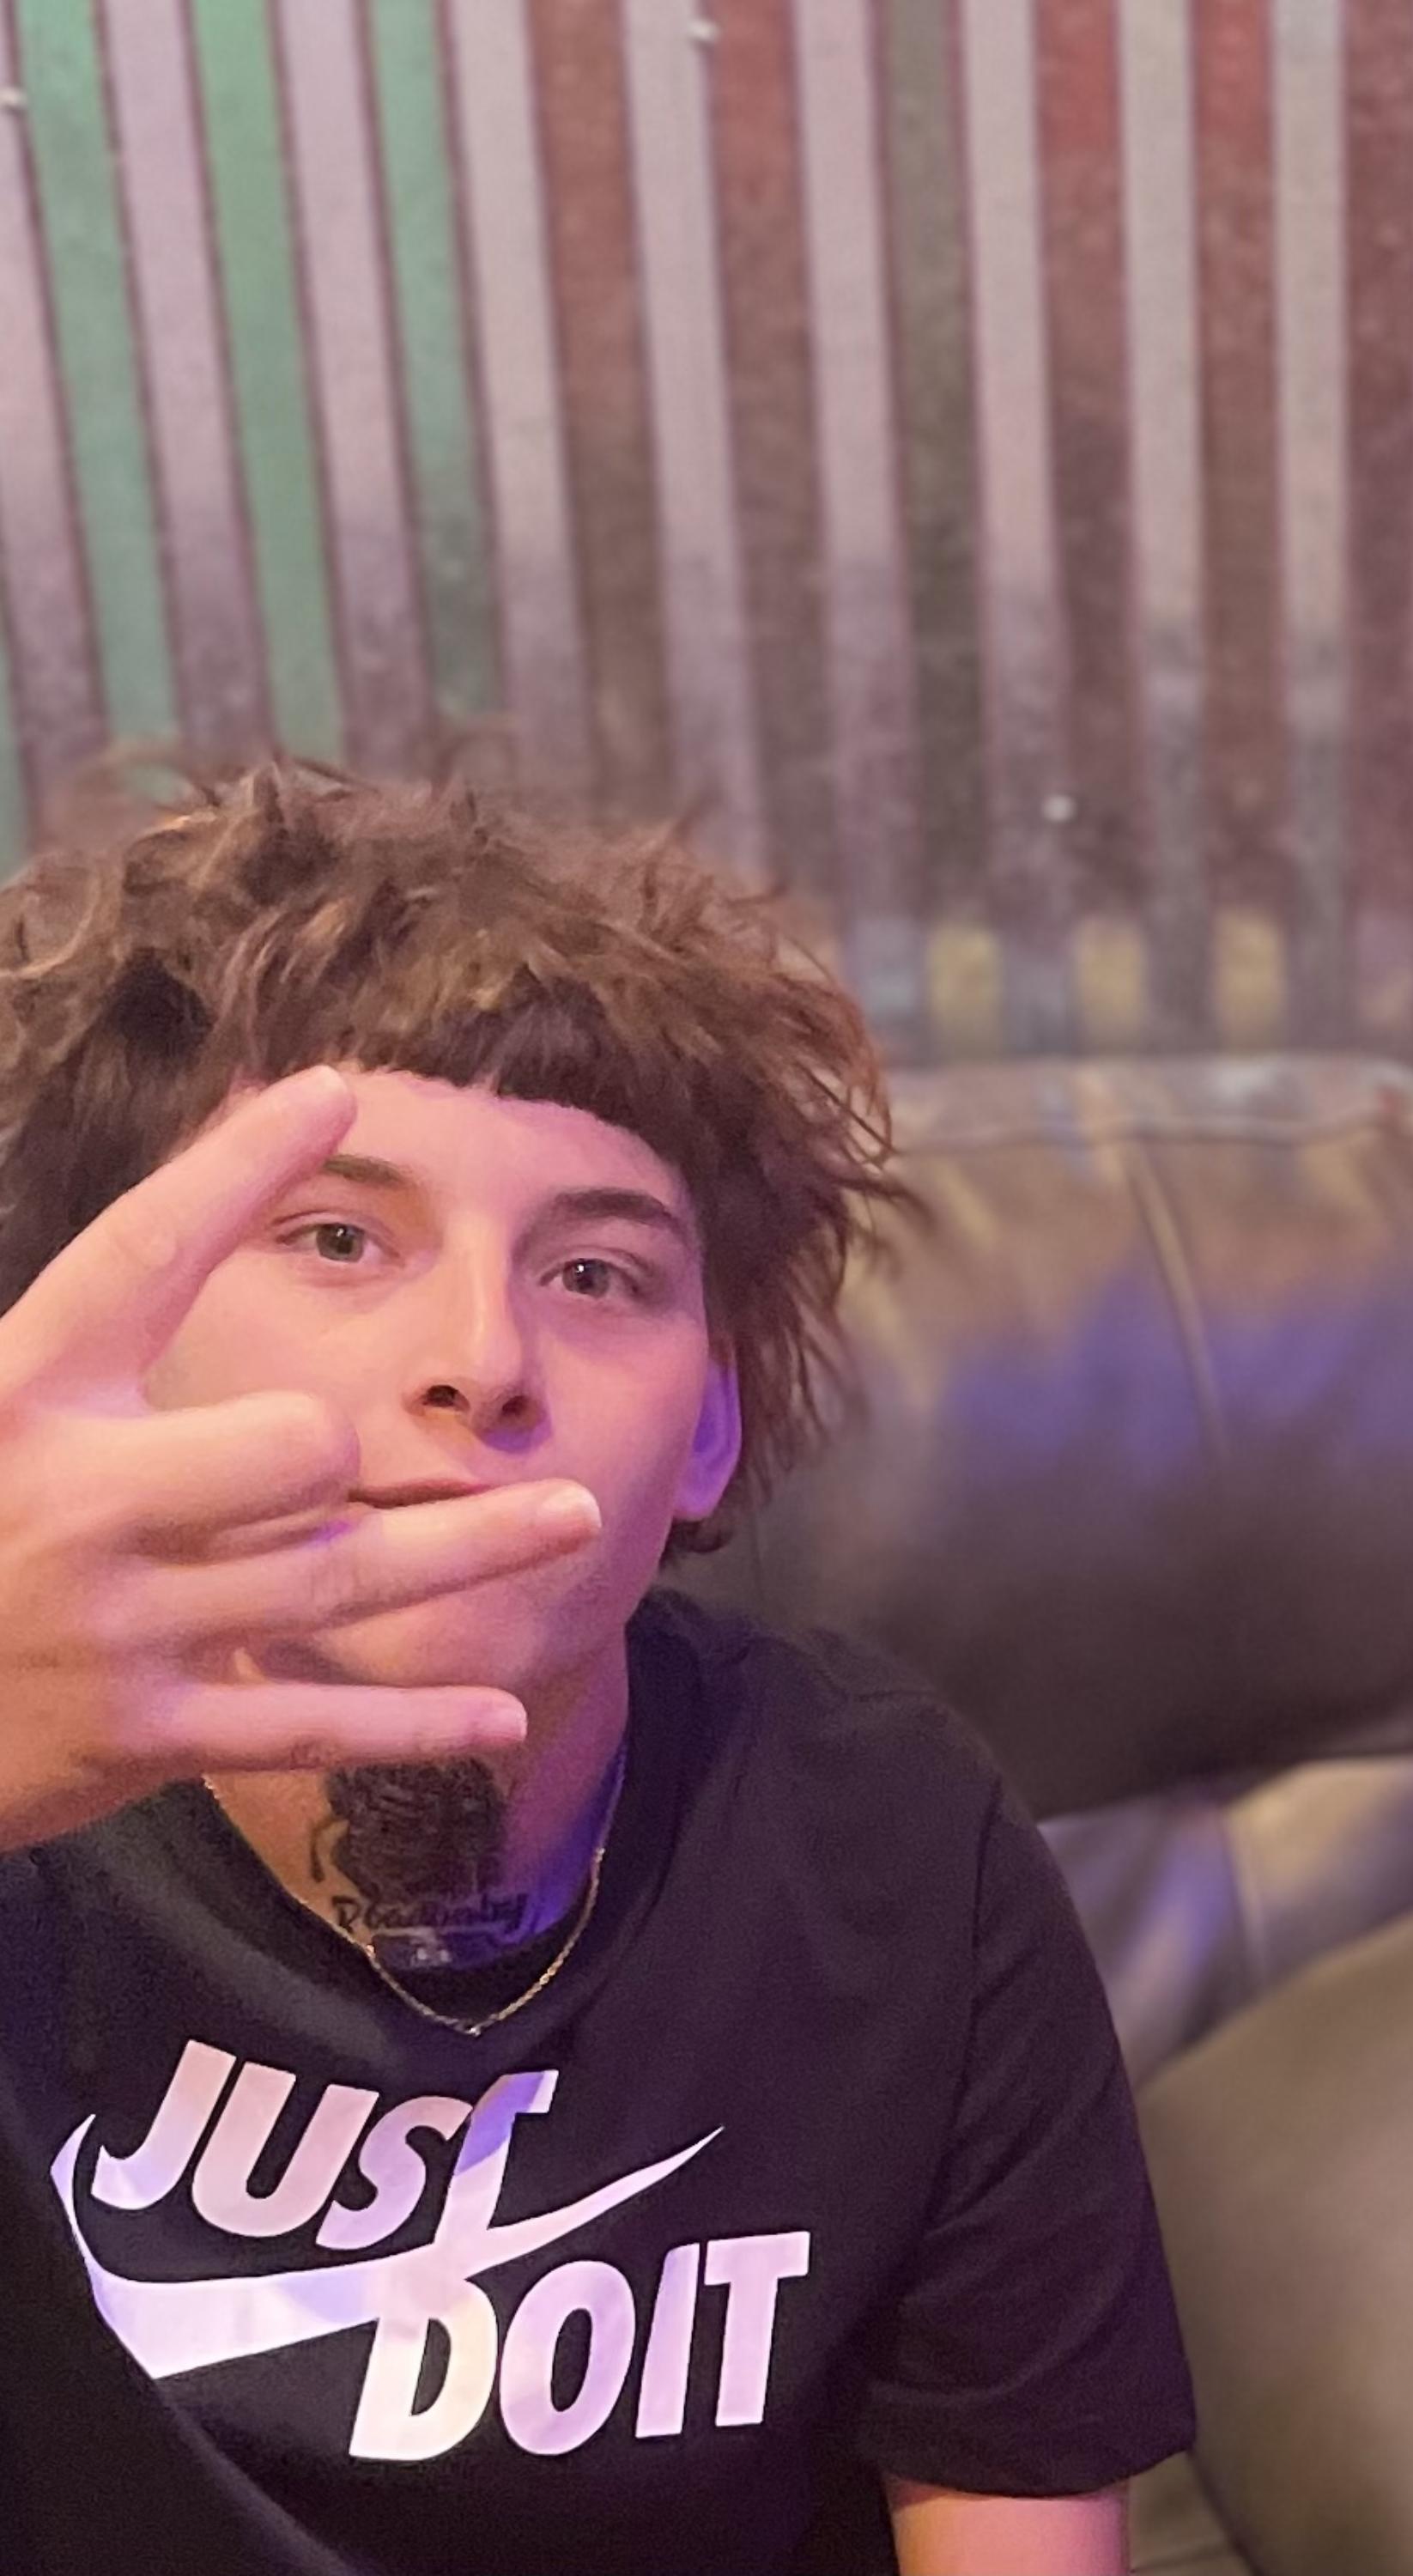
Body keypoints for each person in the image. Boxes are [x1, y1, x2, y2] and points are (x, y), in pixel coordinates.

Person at [0, 768, 1192, 2574]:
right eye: (338, 1238)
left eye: (598, 1274)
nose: (483, 1356)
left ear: (710, 1429)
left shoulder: (888, 1840)